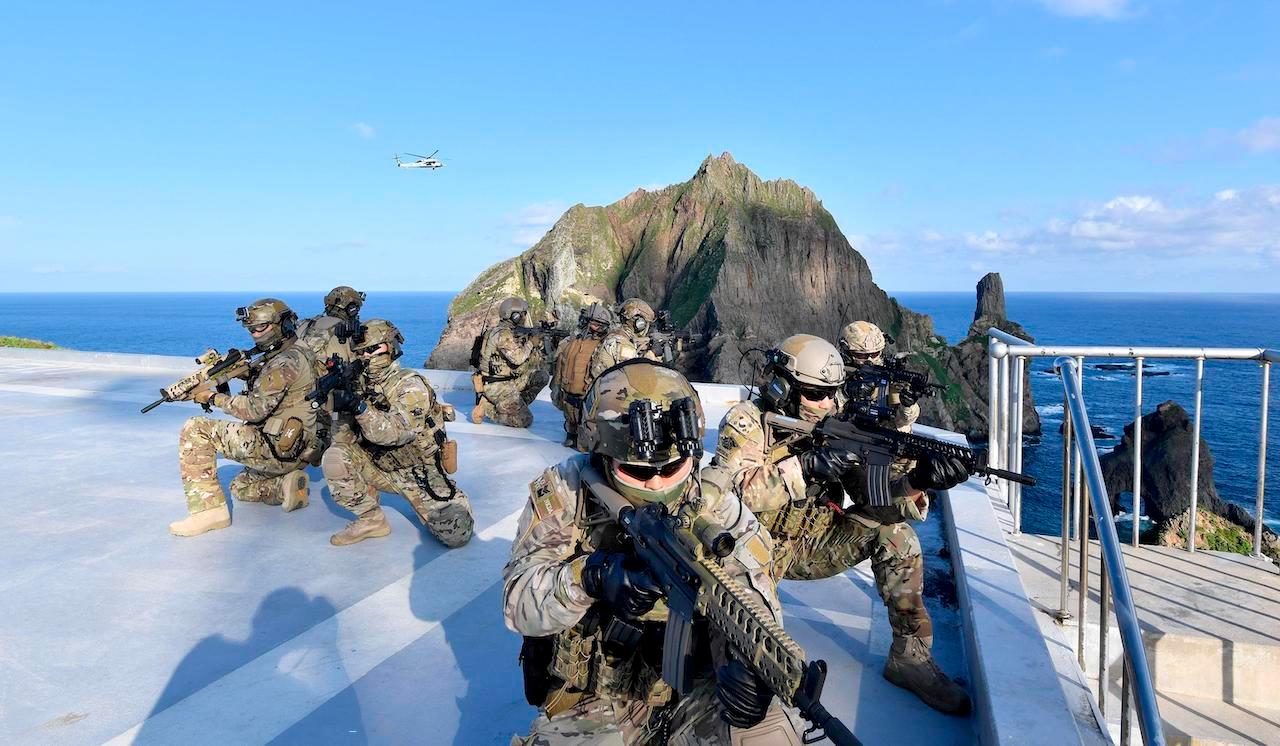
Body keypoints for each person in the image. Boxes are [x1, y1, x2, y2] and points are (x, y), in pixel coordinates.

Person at [503, 360, 803, 744]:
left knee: (768, 735)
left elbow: (756, 599)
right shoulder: (566, 492)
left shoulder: (716, 503)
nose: (658, 482)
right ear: (602, 454)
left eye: (674, 467)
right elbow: (517, 603)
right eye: (638, 472)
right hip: (594, 700)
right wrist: (588, 577)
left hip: (693, 690)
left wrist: (747, 667)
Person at [711, 333, 973, 715]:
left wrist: (919, 482)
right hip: (751, 557)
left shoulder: (834, 420)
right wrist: (806, 466)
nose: (830, 403)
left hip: (811, 545)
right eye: (817, 394)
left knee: (896, 538)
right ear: (783, 387)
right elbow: (731, 496)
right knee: (752, 660)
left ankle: (910, 658)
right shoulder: (746, 423)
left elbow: (873, 500)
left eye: (834, 392)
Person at [170, 298, 324, 537]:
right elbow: (277, 387)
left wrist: (210, 397)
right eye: (251, 329)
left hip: (275, 447)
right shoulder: (298, 349)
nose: (255, 334)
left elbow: (254, 410)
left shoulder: (283, 362)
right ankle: (283, 486)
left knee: (195, 429)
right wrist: (247, 372)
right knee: (240, 487)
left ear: (281, 324)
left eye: (262, 328)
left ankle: (208, 513)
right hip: (298, 447)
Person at [321, 319, 474, 547]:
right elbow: (342, 439)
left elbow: (396, 433)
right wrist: (339, 408)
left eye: (373, 349)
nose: (367, 356)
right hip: (379, 465)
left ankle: (439, 500)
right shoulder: (359, 384)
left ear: (390, 347)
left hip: (419, 471)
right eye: (362, 352)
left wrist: (358, 407)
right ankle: (371, 519)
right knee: (334, 457)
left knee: (457, 535)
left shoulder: (410, 385)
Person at [471, 297, 548, 428]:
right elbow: (518, 358)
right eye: (522, 314)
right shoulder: (503, 334)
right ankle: (488, 408)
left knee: (541, 377)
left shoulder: (506, 332)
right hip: (496, 384)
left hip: (508, 379)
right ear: (515, 315)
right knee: (525, 420)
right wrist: (531, 343)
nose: (524, 317)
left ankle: (512, 406)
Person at [549, 302, 612, 449]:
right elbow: (560, 365)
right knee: (572, 430)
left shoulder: (605, 344)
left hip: (588, 401)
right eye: (595, 324)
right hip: (568, 398)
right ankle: (571, 431)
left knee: (585, 446)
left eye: (601, 325)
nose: (597, 328)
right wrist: (556, 388)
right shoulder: (571, 342)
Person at [838, 320, 918, 432]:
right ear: (847, 352)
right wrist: (845, 393)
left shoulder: (887, 374)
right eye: (861, 355)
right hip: (842, 430)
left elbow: (903, 421)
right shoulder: (835, 369)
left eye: (874, 354)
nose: (869, 360)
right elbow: (818, 408)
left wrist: (907, 406)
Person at [587, 298, 659, 379]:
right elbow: (636, 378)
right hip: (608, 387)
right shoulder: (622, 343)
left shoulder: (615, 333)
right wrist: (651, 355)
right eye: (646, 324)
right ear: (639, 324)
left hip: (603, 384)